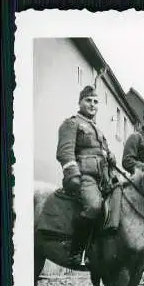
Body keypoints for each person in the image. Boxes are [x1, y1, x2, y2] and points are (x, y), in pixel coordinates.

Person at [56, 84, 118, 267]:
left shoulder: (97, 129)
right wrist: (73, 175)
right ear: (80, 102)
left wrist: (111, 157)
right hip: (85, 176)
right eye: (88, 101)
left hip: (104, 178)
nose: (92, 104)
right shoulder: (72, 123)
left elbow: (103, 152)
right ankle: (76, 251)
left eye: (95, 102)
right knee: (94, 206)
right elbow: (64, 152)